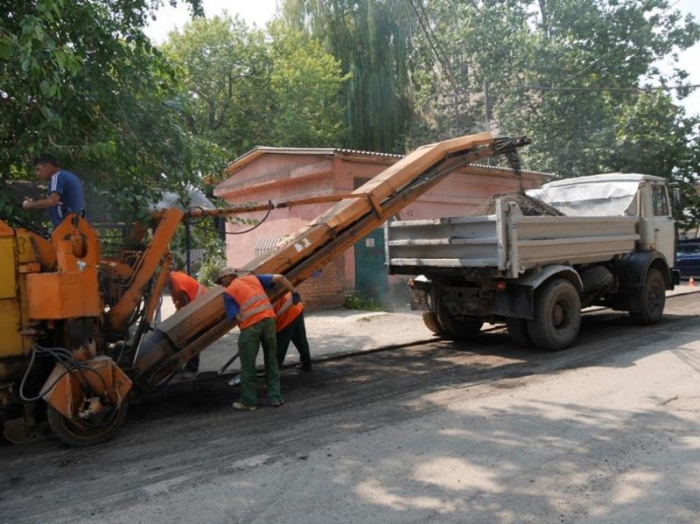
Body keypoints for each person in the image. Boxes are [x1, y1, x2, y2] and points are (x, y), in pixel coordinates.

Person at [216, 266, 296, 411]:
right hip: (269, 322)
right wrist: (294, 292)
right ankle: (276, 398)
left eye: (221, 280)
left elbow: (237, 317)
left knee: (248, 366)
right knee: (271, 361)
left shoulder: (228, 293)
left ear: (228, 276)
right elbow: (280, 277)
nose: (222, 284)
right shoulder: (253, 279)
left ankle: (249, 401)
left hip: (250, 328)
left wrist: (244, 327)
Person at [23, 154, 85, 228]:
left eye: (39, 169)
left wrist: (29, 204)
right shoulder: (68, 176)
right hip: (78, 226)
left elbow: (52, 201)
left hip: (68, 229)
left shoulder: (57, 177)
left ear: (48, 167)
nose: (38, 174)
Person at [168, 270, 207, 377]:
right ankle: (183, 365)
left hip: (202, 305)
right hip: (198, 303)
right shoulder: (172, 277)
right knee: (185, 337)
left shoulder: (176, 284)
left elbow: (185, 305)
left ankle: (192, 368)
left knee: (192, 338)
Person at [273, 291, 312, 371]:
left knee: (279, 344)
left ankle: (273, 372)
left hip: (286, 316)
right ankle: (307, 364)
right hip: (296, 308)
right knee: (300, 339)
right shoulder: (264, 283)